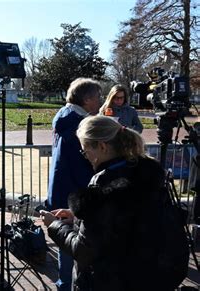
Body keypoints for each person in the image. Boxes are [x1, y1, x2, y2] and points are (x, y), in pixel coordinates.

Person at [42, 115, 167, 291]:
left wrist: (54, 225)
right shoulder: (147, 172)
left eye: (85, 150)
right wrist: (78, 218)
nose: (85, 157)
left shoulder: (103, 184)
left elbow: (84, 251)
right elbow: (119, 221)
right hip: (148, 274)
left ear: (102, 146)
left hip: (109, 279)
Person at [47, 77, 102, 291]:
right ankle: (69, 285)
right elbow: (83, 164)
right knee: (73, 243)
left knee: (67, 243)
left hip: (64, 189)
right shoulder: (79, 124)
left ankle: (66, 283)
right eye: (98, 96)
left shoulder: (64, 116)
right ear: (87, 99)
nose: (100, 100)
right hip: (75, 192)